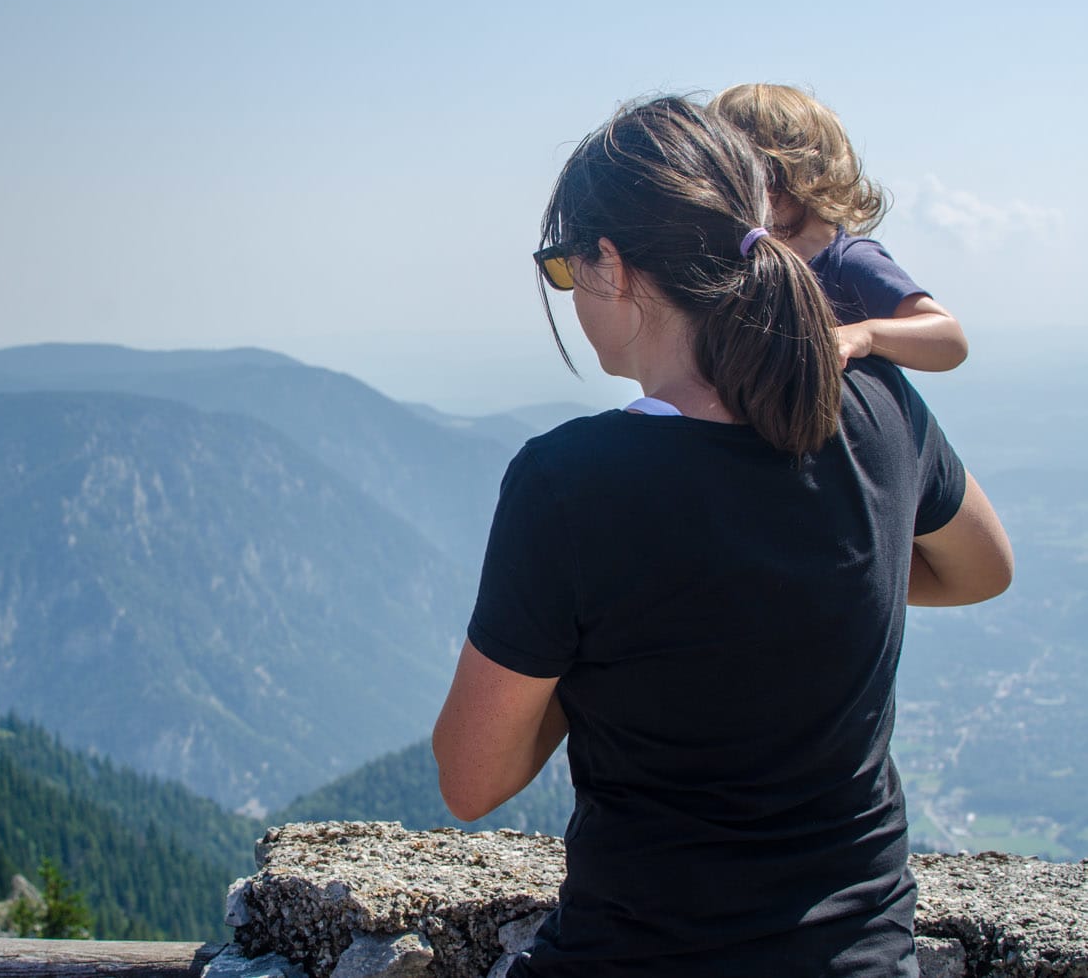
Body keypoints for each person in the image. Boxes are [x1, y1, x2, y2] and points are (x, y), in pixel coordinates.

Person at [432, 97, 1012, 977]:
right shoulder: (882, 410)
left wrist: (587, 653)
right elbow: (980, 570)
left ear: (612, 266)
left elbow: (472, 781)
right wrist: (810, 583)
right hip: (861, 954)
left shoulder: (572, 483)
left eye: (562, 265)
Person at [709, 83, 969, 372]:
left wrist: (865, 335)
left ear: (777, 174)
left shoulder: (847, 262)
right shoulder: (738, 269)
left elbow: (949, 341)